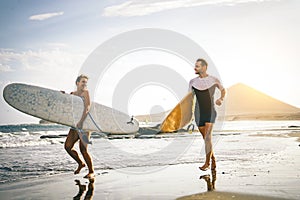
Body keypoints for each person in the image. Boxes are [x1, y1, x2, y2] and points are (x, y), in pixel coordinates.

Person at [189, 58, 226, 171]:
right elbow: (190, 99)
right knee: (205, 138)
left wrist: (221, 98)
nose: (195, 68)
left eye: (198, 66)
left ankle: (207, 163)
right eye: (195, 66)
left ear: (204, 67)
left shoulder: (213, 79)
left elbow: (223, 90)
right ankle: (213, 159)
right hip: (198, 113)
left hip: (210, 111)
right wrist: (189, 115)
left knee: (208, 138)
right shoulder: (192, 82)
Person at [64, 74, 94, 179]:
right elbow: (67, 105)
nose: (85, 84)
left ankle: (91, 171)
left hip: (85, 124)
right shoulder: (72, 94)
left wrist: (81, 121)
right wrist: (62, 96)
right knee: (67, 147)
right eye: (83, 82)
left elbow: (87, 107)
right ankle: (80, 163)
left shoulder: (86, 93)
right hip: (75, 125)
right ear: (77, 83)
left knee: (83, 149)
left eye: (86, 82)